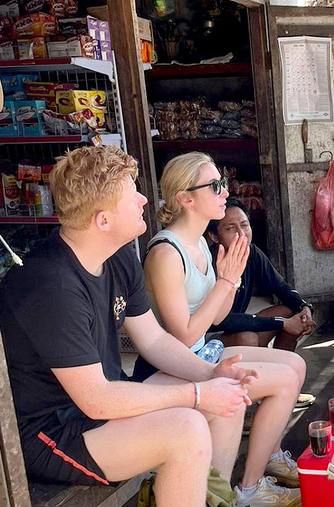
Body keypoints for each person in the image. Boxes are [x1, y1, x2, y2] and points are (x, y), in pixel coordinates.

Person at [0, 146, 258, 507]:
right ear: (102, 220)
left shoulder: (117, 255)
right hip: (53, 432)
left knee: (226, 393)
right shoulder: (51, 285)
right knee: (187, 430)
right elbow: (96, 400)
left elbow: (153, 339)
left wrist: (211, 372)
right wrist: (197, 394)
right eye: (130, 195)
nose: (142, 199)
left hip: (100, 405)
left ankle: (216, 500)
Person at [139, 152, 304, 507]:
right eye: (215, 186)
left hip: (200, 354)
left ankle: (261, 465)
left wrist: (231, 280)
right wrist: (225, 280)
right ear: (186, 198)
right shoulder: (166, 254)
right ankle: (248, 490)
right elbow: (182, 335)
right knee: (284, 379)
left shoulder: (200, 242)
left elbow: (217, 317)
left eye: (223, 183)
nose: (225, 192)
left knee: (296, 366)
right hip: (170, 366)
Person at [207, 198, 317, 407]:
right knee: (247, 337)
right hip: (208, 341)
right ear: (214, 236)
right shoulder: (210, 263)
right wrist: (281, 324)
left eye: (245, 225)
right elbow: (221, 321)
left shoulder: (252, 254)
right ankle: (248, 405)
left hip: (233, 330)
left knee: (290, 311)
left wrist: (304, 308)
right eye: (230, 228)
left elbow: (282, 288)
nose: (241, 233)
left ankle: (281, 388)